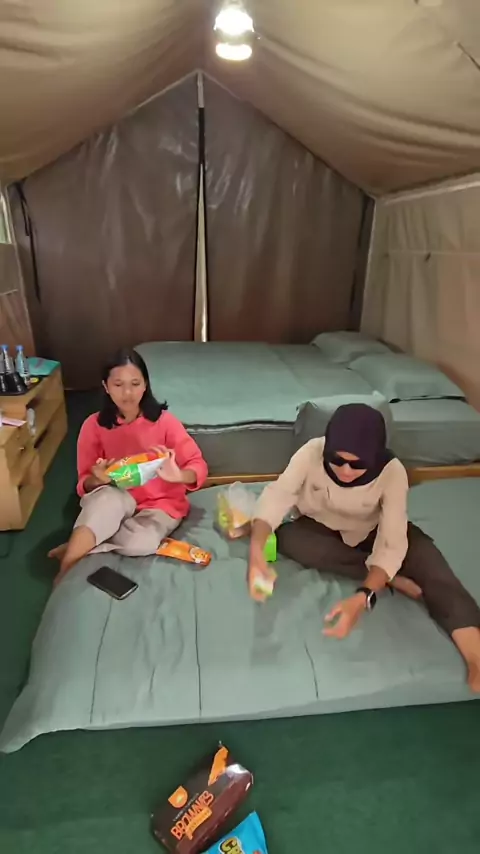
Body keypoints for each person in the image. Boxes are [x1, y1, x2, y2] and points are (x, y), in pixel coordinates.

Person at [248, 403, 480, 693]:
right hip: (319, 525)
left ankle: (476, 657)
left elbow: (392, 541)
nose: (346, 470)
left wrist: (363, 596)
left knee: (431, 564)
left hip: (372, 529)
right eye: (337, 460)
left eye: (357, 464)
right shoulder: (311, 452)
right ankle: (389, 578)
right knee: (291, 540)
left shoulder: (393, 472)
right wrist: (256, 555)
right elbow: (276, 497)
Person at [49, 348, 208, 583]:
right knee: (106, 503)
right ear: (105, 386)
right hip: (116, 495)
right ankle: (65, 572)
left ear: (145, 385)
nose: (127, 393)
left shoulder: (165, 422)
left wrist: (179, 476)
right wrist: (98, 480)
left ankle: (84, 542)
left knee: (141, 543)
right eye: (118, 384)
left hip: (160, 505)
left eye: (135, 384)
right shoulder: (93, 426)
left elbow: (198, 465)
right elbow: (84, 483)